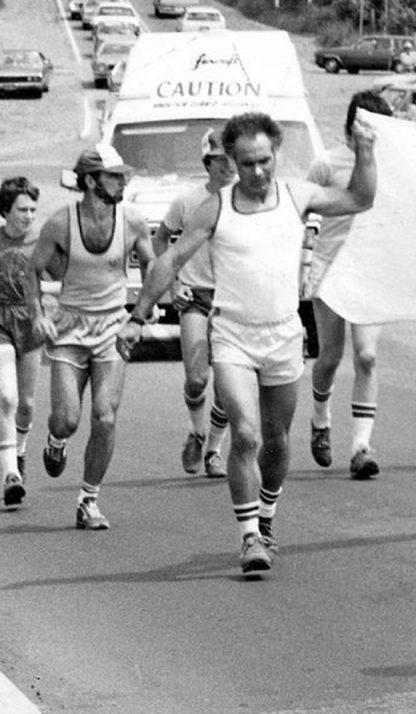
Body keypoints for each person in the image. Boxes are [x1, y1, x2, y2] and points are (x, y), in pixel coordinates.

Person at [116, 111, 377, 575]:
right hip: (233, 336)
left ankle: (268, 516)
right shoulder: (215, 208)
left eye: (265, 161)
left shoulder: (297, 195)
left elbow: (360, 196)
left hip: (282, 336)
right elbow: (169, 258)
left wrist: (367, 151)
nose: (258, 172)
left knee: (275, 442)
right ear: (232, 162)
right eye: (248, 163)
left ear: (276, 154)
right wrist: (139, 317)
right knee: (247, 434)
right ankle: (249, 536)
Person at [25, 145, 155, 530]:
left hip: (112, 327)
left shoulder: (131, 221)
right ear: (91, 180)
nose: (123, 182)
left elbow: (151, 261)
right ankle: (55, 438)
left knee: (105, 415)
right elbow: (32, 271)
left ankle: (88, 500)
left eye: (123, 176)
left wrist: (142, 312)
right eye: (115, 177)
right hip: (69, 327)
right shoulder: (61, 223)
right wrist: (37, 315)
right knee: (66, 419)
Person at [306, 91, 391, 480]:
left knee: (368, 357)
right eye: (365, 129)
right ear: (350, 128)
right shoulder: (326, 164)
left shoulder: (392, 165)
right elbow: (302, 210)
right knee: (329, 357)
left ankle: (360, 447)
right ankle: (320, 419)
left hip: (371, 271)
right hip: (330, 268)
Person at [152, 128, 236, 479]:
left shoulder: (244, 202)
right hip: (195, 296)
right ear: (208, 163)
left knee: (229, 384)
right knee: (197, 378)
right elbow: (160, 240)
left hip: (233, 299)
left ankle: (215, 449)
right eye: (221, 159)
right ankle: (197, 432)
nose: (228, 166)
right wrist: (173, 283)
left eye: (232, 159)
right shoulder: (187, 201)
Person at [0, 177, 50, 507]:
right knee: (7, 396)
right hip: (0, 319)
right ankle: (9, 474)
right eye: (22, 209)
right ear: (6, 210)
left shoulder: (42, 240)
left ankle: (19, 455)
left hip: (30, 320)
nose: (29, 215)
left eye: (33, 209)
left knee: (28, 404)